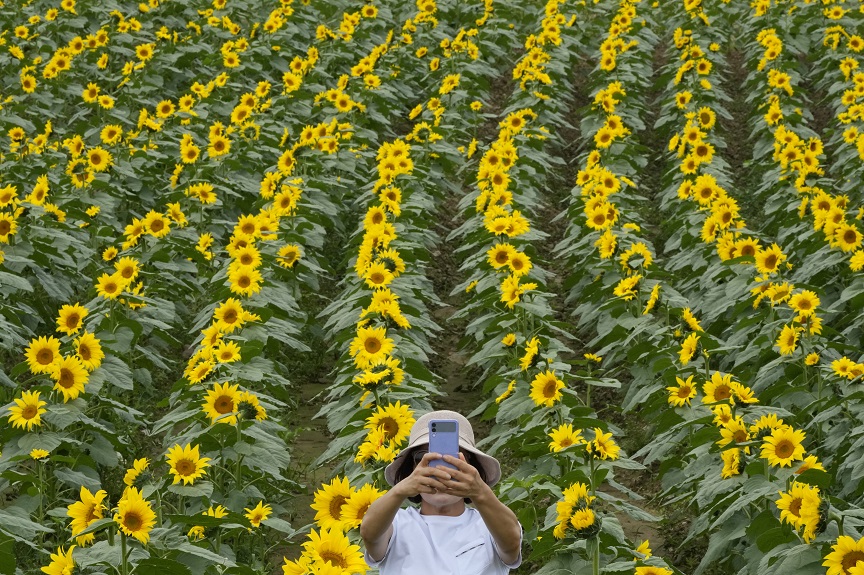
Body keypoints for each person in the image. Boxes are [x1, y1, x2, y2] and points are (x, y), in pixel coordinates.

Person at [360, 410, 523, 574]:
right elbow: (370, 534)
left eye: (453, 459)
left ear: (472, 468)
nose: (440, 469)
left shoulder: (489, 524)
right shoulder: (396, 523)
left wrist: (480, 492)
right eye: (424, 458)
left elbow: (512, 544)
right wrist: (399, 491)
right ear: (411, 470)